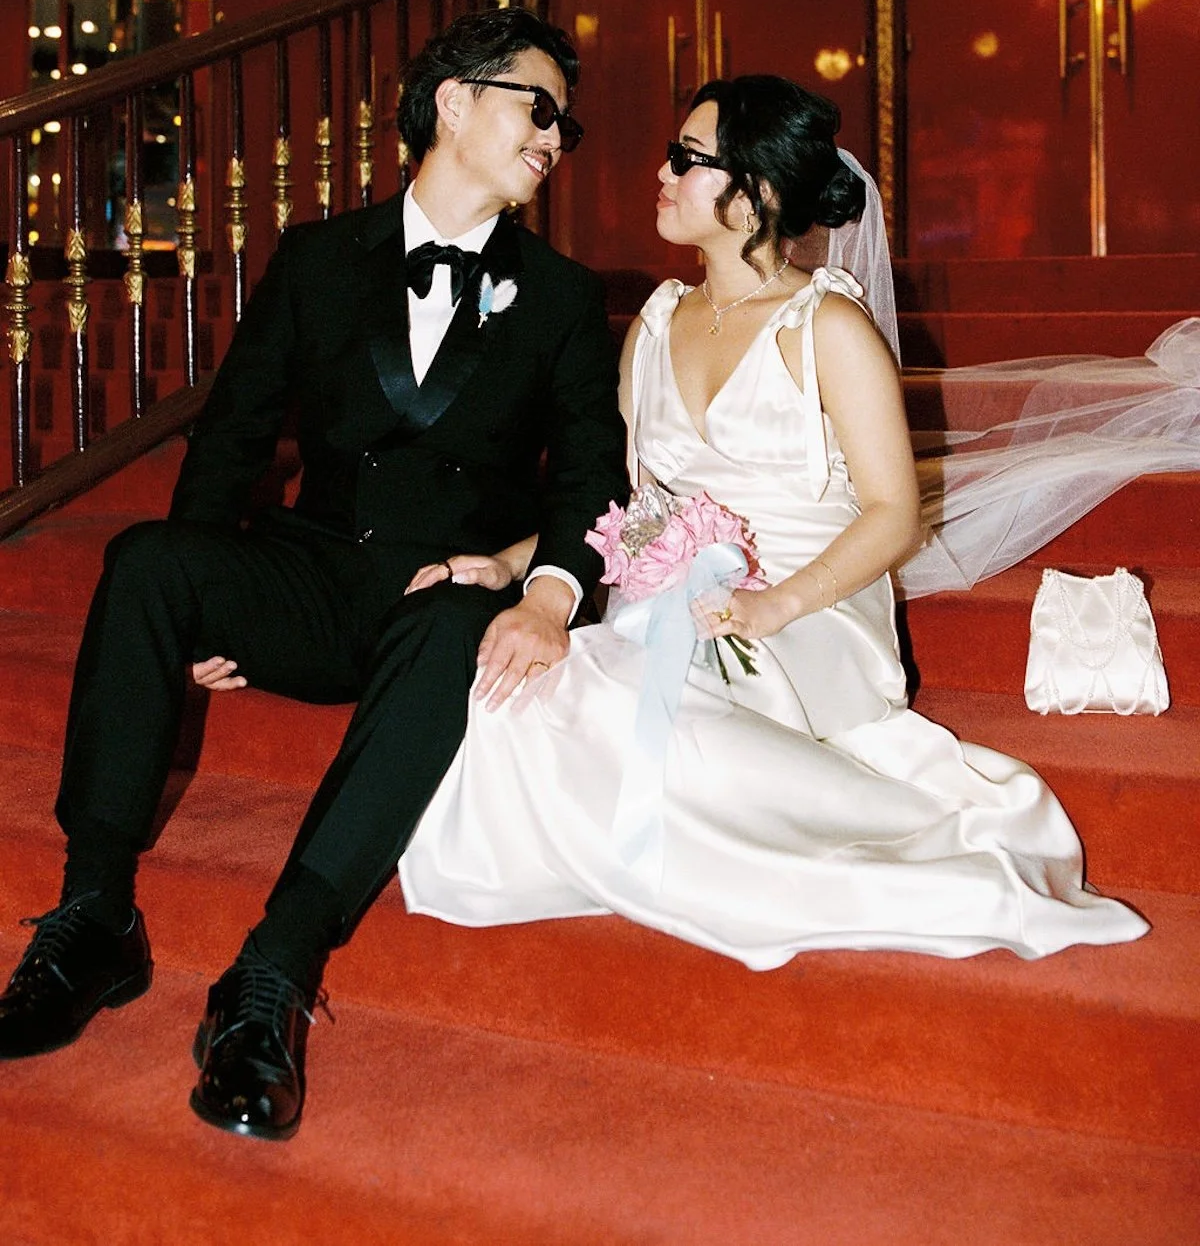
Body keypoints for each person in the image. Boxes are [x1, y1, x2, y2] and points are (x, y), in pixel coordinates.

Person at [0, 8, 629, 1139]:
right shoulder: (319, 258)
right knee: (146, 563)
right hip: (312, 571)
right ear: (454, 102)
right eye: (539, 108)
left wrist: (546, 592)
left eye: (565, 125)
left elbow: (592, 478)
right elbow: (235, 434)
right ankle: (94, 916)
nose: (556, 137)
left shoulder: (564, 295)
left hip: (442, 596)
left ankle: (271, 976)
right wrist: (204, 597)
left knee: (456, 623)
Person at [398, 75, 1147, 965]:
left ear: (752, 193)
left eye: (686, 159)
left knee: (634, 705)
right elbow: (628, 502)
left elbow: (894, 514)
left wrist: (773, 606)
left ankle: (854, 845)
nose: (662, 173)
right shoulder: (655, 323)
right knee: (529, 686)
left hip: (811, 611)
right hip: (671, 597)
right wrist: (516, 560)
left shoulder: (829, 326)